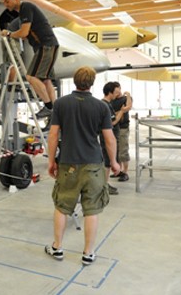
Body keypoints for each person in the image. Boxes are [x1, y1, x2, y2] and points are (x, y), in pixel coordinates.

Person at [46, 66, 120, 265]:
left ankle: (57, 248)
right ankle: (88, 253)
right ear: (92, 83)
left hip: (68, 163)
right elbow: (109, 139)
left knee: (62, 207)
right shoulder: (101, 107)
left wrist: (51, 160)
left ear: (75, 81)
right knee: (91, 210)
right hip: (94, 165)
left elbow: (53, 135)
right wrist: (113, 162)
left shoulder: (61, 104)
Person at [0, 0, 59, 118]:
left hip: (45, 46)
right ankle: (54, 112)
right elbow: (26, 35)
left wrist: (9, 33)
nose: (6, 5)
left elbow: (24, 33)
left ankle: (49, 107)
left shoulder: (26, 7)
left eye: (7, 1)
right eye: (3, 3)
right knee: (46, 80)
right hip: (47, 46)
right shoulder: (23, 14)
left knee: (31, 77)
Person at [100, 82, 128, 195]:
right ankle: (103, 187)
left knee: (107, 162)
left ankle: (105, 185)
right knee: (107, 162)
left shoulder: (106, 104)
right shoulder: (105, 105)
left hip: (109, 137)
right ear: (110, 92)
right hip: (108, 138)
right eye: (115, 92)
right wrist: (122, 111)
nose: (117, 94)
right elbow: (113, 121)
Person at [111, 83, 132, 181]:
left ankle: (125, 172)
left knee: (123, 151)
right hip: (114, 128)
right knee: (116, 151)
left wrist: (128, 95)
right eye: (115, 90)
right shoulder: (112, 100)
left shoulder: (125, 98)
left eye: (118, 89)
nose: (117, 91)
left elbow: (128, 107)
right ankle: (118, 171)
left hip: (123, 127)